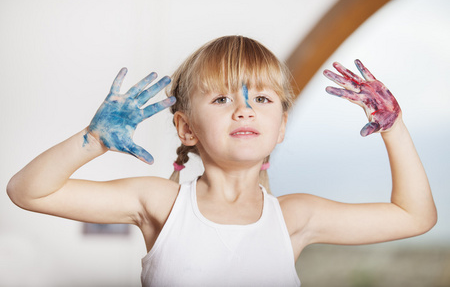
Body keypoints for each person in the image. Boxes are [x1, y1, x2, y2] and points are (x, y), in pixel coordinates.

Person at [7, 36, 437, 286]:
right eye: (221, 98)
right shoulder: (159, 202)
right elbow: (27, 191)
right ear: (186, 129)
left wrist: (393, 126)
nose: (244, 110)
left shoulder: (295, 216)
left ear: (281, 127)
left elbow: (414, 217)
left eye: (262, 99)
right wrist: (92, 140)